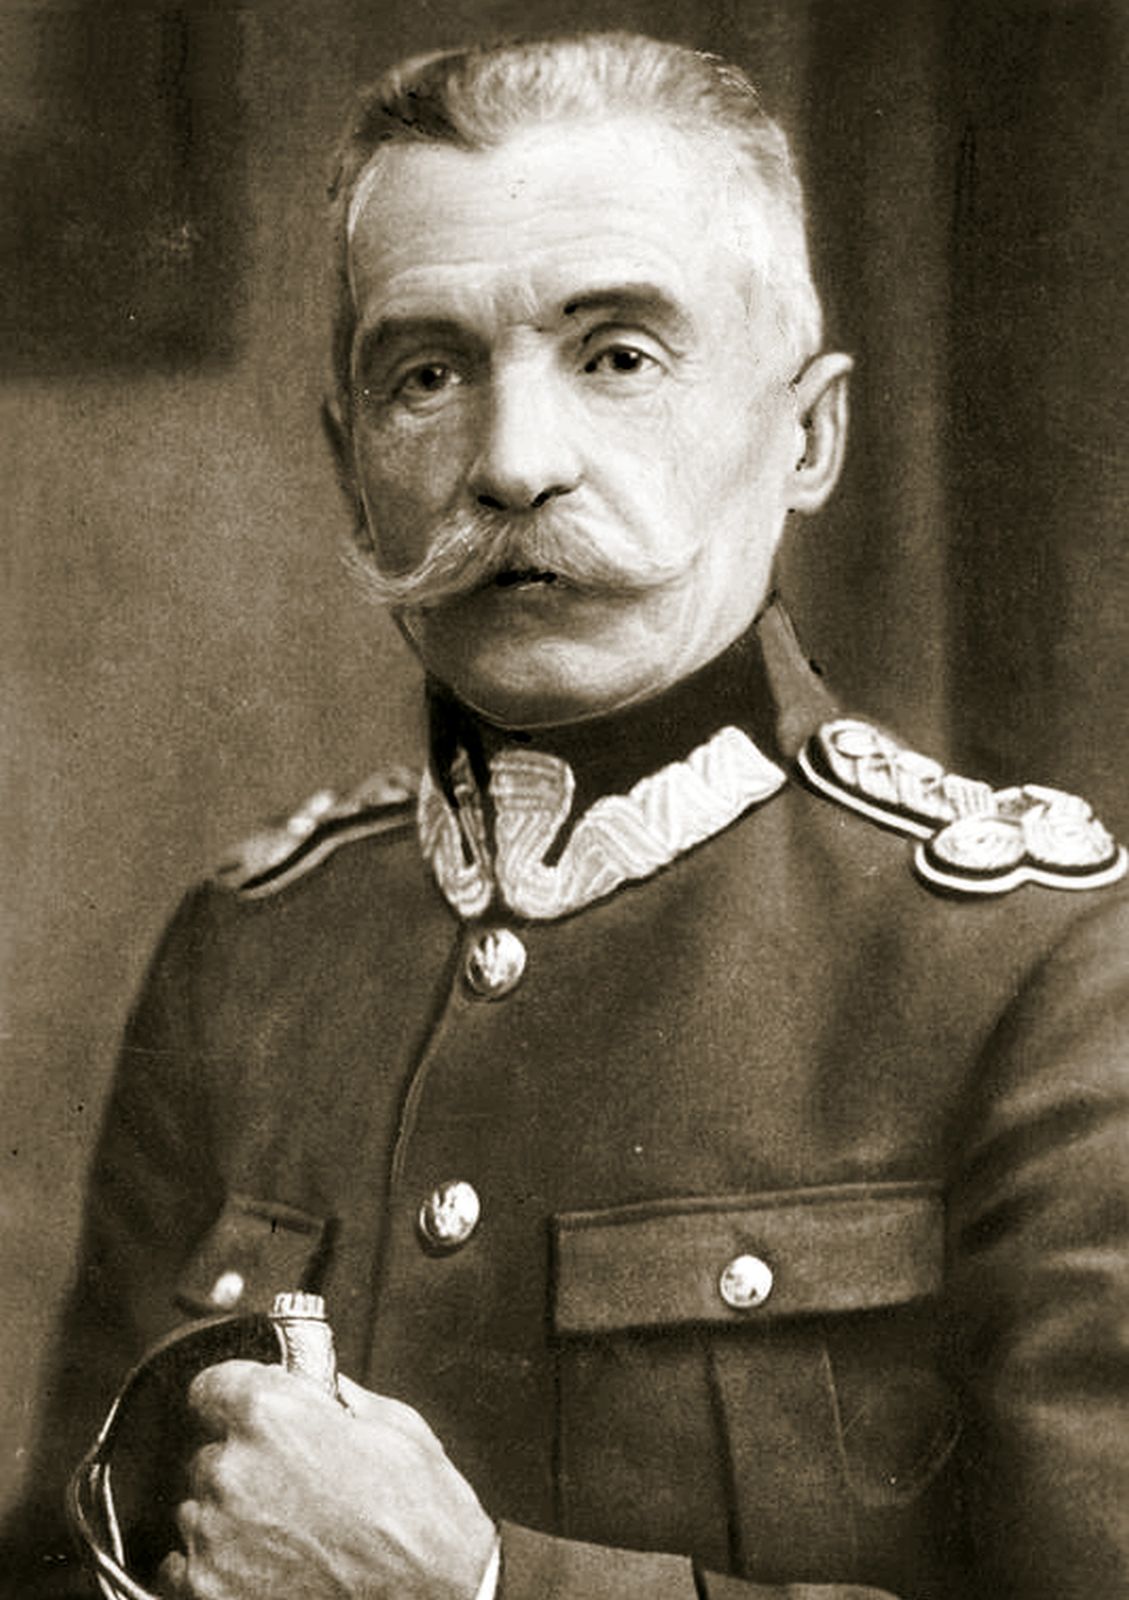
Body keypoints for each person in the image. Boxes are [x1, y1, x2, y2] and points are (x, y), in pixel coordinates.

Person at [8, 29, 1129, 1600]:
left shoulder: (1045, 971)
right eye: (425, 375)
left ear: (806, 437)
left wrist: (476, 1589)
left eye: (618, 358)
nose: (512, 465)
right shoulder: (246, 955)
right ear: (349, 467)